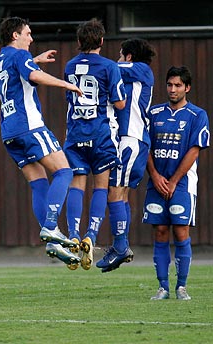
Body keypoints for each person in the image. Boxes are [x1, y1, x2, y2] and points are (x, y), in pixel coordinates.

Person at [0, 17, 82, 265]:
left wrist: (35, 60)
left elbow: (21, 70)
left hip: (9, 132)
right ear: (15, 35)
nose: (31, 39)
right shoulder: (19, 56)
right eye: (28, 33)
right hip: (29, 127)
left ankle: (53, 243)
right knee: (65, 171)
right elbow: (34, 76)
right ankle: (51, 227)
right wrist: (66, 84)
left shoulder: (1, 60)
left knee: (39, 183)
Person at [64, 18, 126, 270]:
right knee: (101, 186)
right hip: (100, 135)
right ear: (101, 41)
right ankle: (91, 233)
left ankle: (72, 234)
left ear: (79, 42)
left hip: (75, 134)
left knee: (76, 184)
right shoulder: (110, 66)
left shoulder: (69, 66)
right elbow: (120, 103)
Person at [144, 66, 210, 300]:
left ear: (187, 88)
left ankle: (181, 286)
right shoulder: (153, 113)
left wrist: (173, 181)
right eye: (170, 85)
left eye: (178, 85)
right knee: (160, 231)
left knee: (181, 232)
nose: (173, 89)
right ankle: (162, 287)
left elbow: (194, 150)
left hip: (181, 184)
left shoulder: (197, 115)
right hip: (156, 182)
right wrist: (154, 175)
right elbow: (146, 147)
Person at [100, 38, 156, 273]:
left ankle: (121, 246)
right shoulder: (132, 75)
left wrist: (88, 60)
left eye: (121, 54)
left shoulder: (141, 69)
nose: (117, 58)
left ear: (129, 57)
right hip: (131, 140)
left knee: (114, 192)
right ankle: (121, 245)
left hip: (130, 139)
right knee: (121, 194)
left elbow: (108, 68)